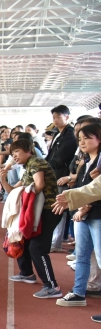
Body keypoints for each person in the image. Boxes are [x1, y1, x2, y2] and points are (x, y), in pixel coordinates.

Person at [3, 138, 62, 299]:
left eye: (17, 152)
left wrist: (25, 200)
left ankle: (52, 286)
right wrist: (3, 178)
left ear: (28, 150)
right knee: (22, 238)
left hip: (49, 210)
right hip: (38, 211)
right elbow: (12, 192)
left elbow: (39, 184)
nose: (14, 156)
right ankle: (27, 273)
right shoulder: (28, 166)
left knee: (37, 248)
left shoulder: (36, 162)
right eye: (12, 153)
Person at [53, 124, 101, 307]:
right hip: (83, 216)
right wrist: (79, 208)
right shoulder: (85, 162)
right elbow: (82, 187)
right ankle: (78, 292)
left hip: (97, 215)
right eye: (80, 138)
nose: (82, 142)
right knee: (82, 256)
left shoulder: (99, 164)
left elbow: (95, 191)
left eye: (87, 138)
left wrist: (84, 206)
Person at [46, 105, 78, 253]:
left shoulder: (70, 135)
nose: (56, 120)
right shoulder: (58, 134)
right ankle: (56, 240)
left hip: (62, 176)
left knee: (59, 209)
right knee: (57, 209)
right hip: (55, 175)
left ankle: (56, 242)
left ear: (67, 117)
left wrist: (44, 167)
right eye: (54, 117)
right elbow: (51, 156)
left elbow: (60, 158)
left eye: (59, 116)